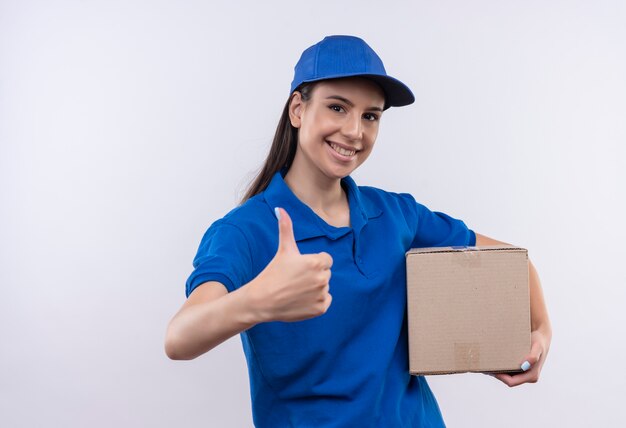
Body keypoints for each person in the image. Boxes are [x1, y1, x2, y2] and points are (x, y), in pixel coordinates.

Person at [165, 35, 552, 427]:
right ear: (298, 109)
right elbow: (179, 338)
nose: (355, 131)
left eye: (371, 116)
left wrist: (542, 330)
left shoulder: (397, 214)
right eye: (337, 107)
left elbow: (513, 264)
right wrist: (257, 301)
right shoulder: (247, 231)